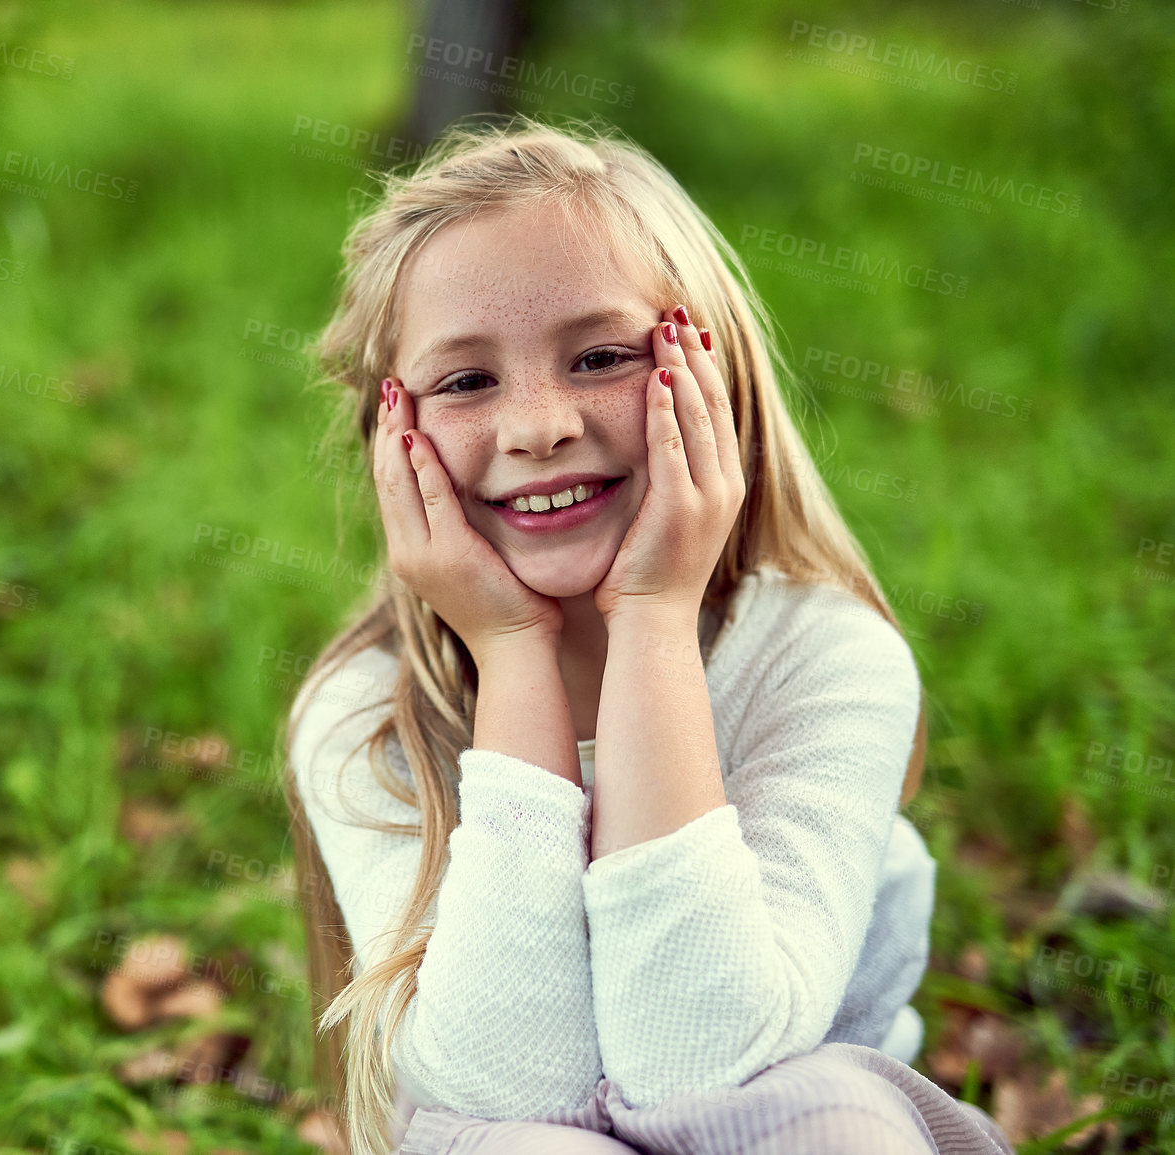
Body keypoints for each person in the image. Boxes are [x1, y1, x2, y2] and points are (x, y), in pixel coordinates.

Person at [280, 117, 1012, 1155]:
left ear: (715, 378)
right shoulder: (365, 715)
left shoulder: (824, 659)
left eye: (601, 357)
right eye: (466, 381)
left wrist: (656, 620)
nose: (538, 426)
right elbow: (506, 1087)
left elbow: (703, 1065)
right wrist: (512, 650)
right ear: (391, 438)